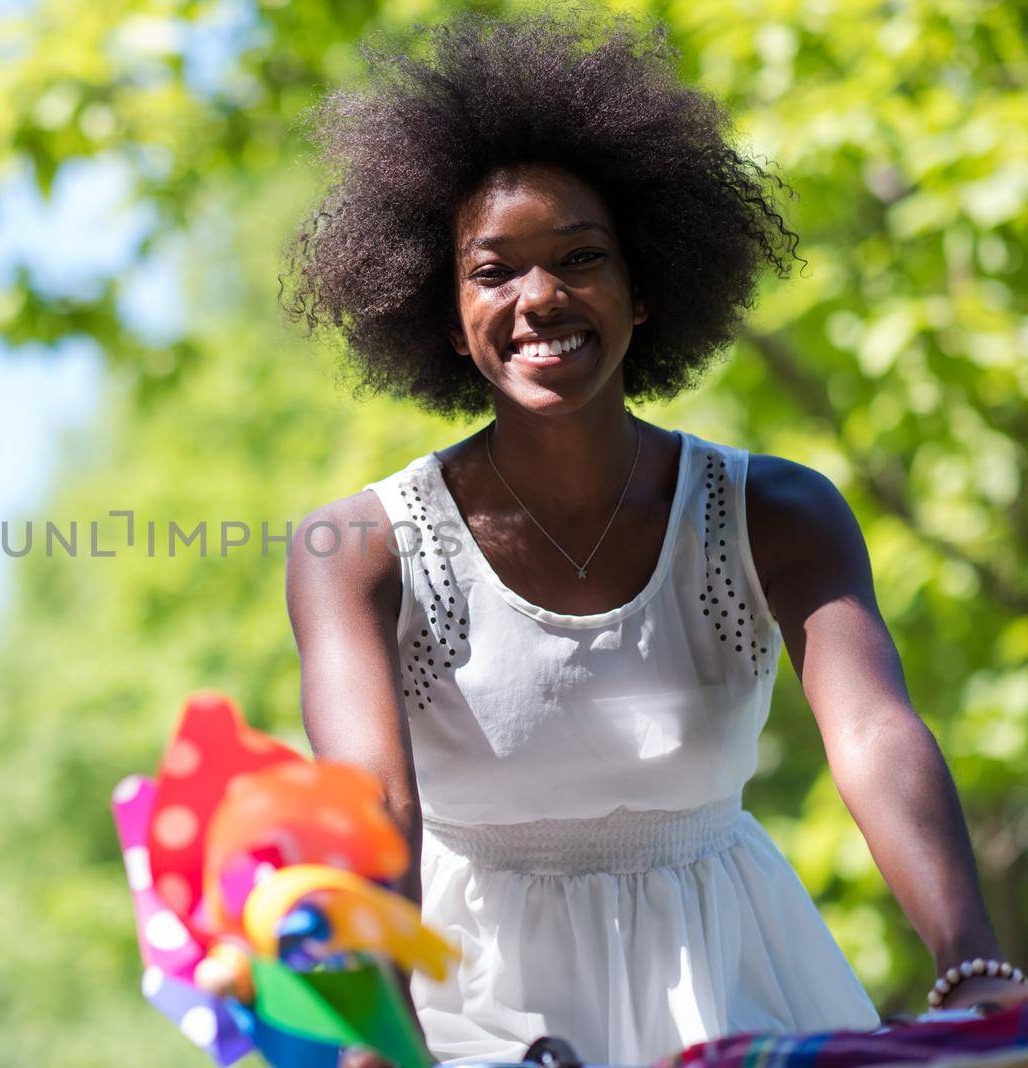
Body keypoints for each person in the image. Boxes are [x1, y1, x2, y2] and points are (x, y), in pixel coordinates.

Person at [281, 14, 1026, 1066]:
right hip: (467, 1007)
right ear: (446, 315)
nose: (538, 297)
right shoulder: (356, 548)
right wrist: (381, 1035)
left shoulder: (780, 514)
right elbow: (372, 801)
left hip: (739, 984)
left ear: (644, 290)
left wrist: (973, 964)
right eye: (493, 271)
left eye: (581, 258)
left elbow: (872, 738)